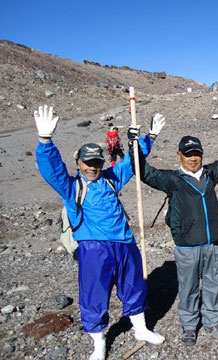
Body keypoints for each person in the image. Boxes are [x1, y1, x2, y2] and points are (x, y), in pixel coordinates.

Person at [34, 105, 166, 360]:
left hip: (125, 243)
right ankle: (99, 343)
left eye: (97, 163)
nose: (93, 168)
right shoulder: (71, 187)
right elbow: (52, 170)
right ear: (79, 163)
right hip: (94, 249)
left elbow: (132, 161)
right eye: (88, 163)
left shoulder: (110, 178)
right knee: (94, 295)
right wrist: (45, 140)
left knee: (134, 286)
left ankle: (141, 329)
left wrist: (150, 137)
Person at [129, 109, 218, 346]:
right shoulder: (172, 180)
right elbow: (142, 170)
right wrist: (139, 143)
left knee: (214, 284)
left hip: (212, 244)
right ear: (179, 155)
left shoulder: (211, 174)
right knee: (189, 287)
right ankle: (190, 326)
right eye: (189, 154)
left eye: (197, 154)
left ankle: (212, 321)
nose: (193, 158)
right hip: (187, 247)